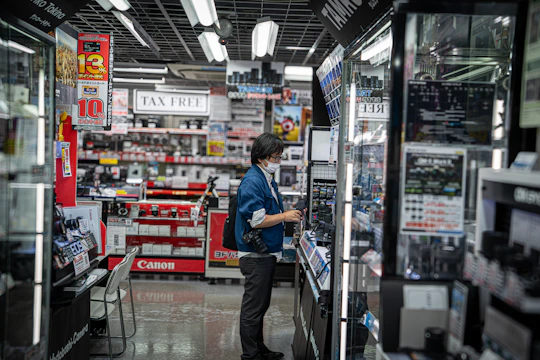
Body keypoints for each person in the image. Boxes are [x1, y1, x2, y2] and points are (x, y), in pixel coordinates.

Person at [235, 133, 303, 360]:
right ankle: (250, 355)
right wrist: (284, 216)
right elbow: (257, 220)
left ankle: (259, 348)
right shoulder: (253, 180)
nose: (278, 161)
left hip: (264, 251)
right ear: (262, 157)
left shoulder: (265, 177)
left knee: (261, 305)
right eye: (276, 157)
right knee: (253, 307)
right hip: (255, 255)